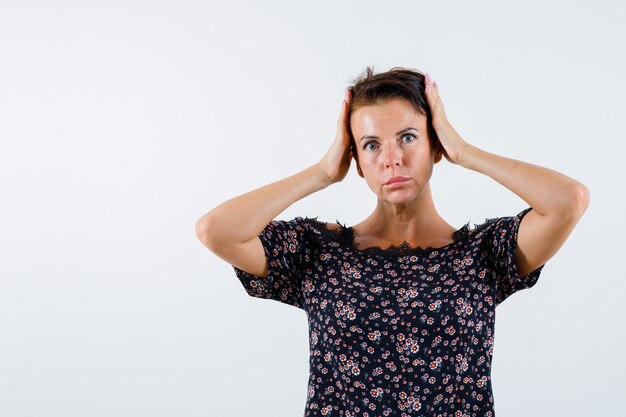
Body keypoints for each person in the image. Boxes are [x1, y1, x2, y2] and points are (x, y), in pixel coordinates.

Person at [195, 66, 589, 416]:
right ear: (355, 159)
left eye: (408, 137)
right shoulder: (317, 252)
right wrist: (320, 173)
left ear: (436, 145)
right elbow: (216, 230)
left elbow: (569, 201)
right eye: (371, 145)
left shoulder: (484, 253)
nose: (391, 158)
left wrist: (465, 152)